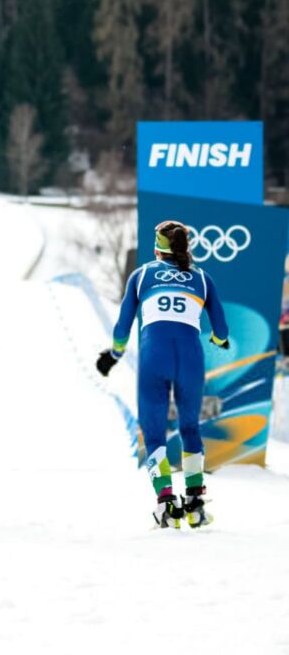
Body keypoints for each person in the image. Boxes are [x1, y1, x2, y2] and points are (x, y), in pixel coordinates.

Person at [96, 220, 229, 529]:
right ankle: (195, 504)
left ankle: (166, 503)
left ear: (157, 248)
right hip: (190, 358)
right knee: (189, 429)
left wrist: (113, 356)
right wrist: (218, 340)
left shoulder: (141, 275)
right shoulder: (203, 278)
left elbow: (122, 329)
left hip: (154, 356)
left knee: (155, 434)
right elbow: (221, 330)